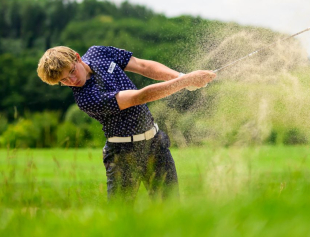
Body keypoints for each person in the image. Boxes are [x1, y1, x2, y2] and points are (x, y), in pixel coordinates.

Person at [37, 45, 216, 203]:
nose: (72, 81)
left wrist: (180, 76)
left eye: (71, 72)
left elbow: (142, 65)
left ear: (77, 57)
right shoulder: (86, 98)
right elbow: (139, 97)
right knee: (120, 218)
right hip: (123, 155)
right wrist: (185, 81)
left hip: (155, 144)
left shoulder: (98, 52)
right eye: (63, 81)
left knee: (170, 208)